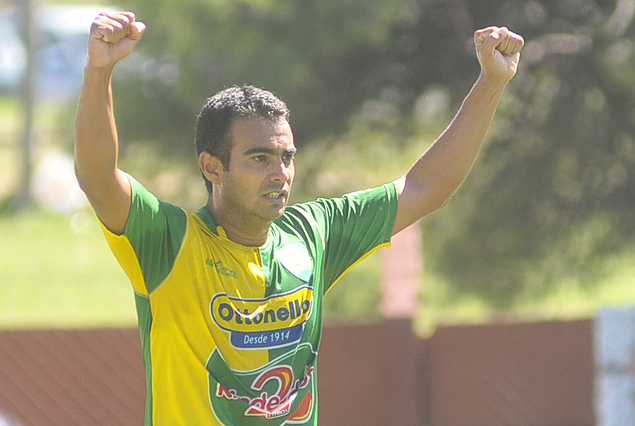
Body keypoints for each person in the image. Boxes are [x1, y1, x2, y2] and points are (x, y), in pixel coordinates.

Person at [74, 10, 523, 426]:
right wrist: (100, 71)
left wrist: (492, 82)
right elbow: (98, 177)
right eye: (260, 158)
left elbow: (426, 188)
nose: (281, 173)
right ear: (212, 167)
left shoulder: (312, 234)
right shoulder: (169, 242)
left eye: (286, 157)